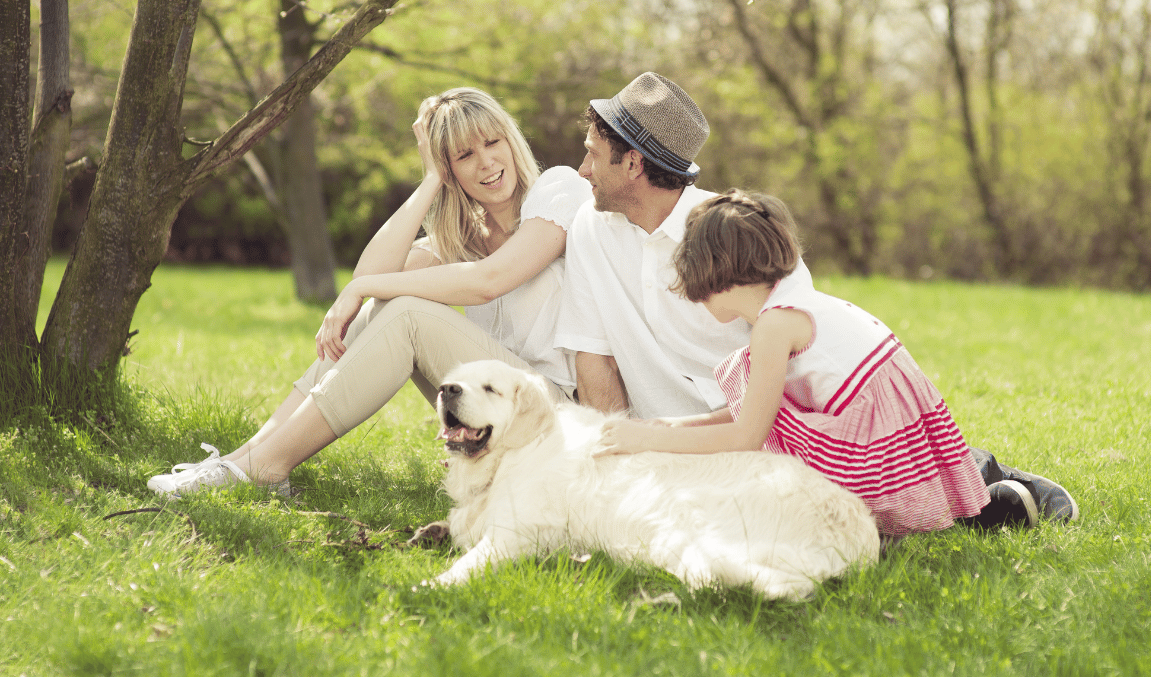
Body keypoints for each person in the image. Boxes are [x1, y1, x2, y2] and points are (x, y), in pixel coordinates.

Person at [555, 71, 1078, 528]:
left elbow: (815, 376)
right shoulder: (589, 228)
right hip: (679, 437)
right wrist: (618, 446)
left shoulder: (730, 235)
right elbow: (592, 349)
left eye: (594, 156)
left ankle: (973, 475)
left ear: (634, 165)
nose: (582, 171)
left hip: (768, 432)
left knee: (812, 507)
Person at [148, 87, 592, 496]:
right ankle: (242, 460)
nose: (486, 163)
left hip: (557, 417)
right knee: (388, 307)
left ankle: (265, 469)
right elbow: (374, 279)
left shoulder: (557, 191)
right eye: (464, 155)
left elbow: (488, 281)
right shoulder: (462, 235)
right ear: (451, 169)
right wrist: (429, 180)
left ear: (511, 142)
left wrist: (360, 286)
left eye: (493, 143)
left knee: (410, 315)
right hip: (496, 409)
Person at [593, 189, 994, 536]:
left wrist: (647, 440)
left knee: (745, 384)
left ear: (714, 273)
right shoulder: (791, 300)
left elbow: (747, 435)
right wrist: (667, 425)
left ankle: (852, 520)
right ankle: (988, 505)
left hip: (874, 451)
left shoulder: (773, 325)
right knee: (751, 384)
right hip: (893, 440)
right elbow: (755, 413)